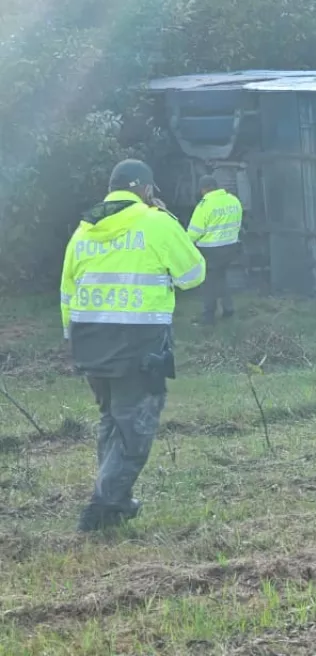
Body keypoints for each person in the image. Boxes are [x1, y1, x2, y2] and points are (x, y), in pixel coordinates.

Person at [60, 160, 206, 531]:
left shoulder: (83, 231)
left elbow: (67, 293)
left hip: (90, 345)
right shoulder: (156, 223)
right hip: (138, 346)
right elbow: (193, 275)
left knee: (111, 421)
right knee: (135, 428)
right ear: (145, 189)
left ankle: (116, 500)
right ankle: (102, 507)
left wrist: (72, 342)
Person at [186, 175, 243, 325]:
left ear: (203, 189)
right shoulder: (233, 200)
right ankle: (228, 309)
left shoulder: (204, 205)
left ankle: (208, 318)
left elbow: (193, 233)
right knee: (221, 277)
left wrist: (184, 245)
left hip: (211, 251)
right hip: (231, 248)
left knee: (208, 283)